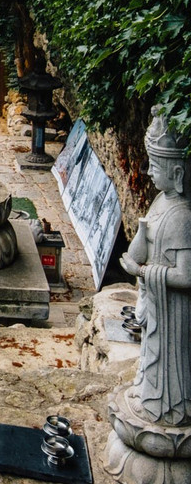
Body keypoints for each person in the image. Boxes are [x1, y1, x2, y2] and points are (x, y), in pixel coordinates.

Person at [118, 110, 191, 425]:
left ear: (177, 171)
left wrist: (144, 273)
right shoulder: (161, 203)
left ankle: (170, 408)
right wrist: (140, 239)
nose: (148, 172)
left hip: (175, 312)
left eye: (156, 166)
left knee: (170, 360)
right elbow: (142, 243)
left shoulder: (183, 217)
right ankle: (150, 395)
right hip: (157, 307)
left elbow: (187, 276)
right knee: (150, 356)